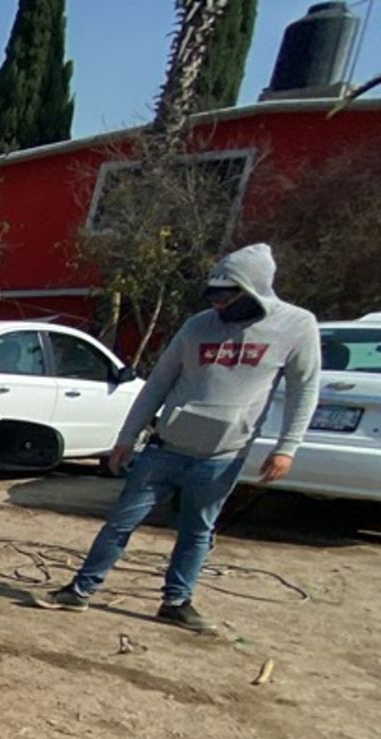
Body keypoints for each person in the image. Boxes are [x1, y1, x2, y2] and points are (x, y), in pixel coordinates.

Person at [36, 243, 320, 633]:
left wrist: (287, 448)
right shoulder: (197, 326)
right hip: (165, 450)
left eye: (227, 296)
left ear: (253, 290)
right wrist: (126, 438)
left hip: (223, 455)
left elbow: (305, 389)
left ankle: (176, 601)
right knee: (121, 521)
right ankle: (80, 590)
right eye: (214, 296)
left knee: (197, 530)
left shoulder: (296, 326)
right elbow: (157, 385)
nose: (219, 305)